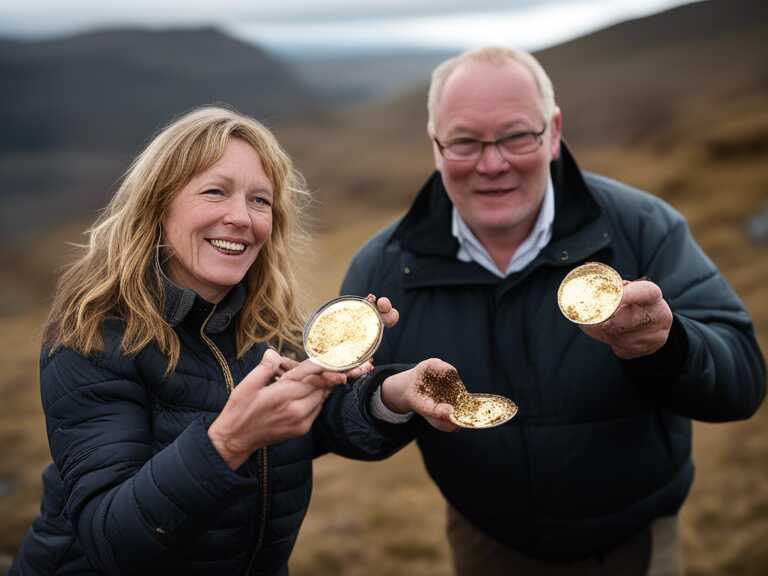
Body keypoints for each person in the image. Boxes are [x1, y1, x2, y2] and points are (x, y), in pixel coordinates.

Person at [341, 46, 766, 575]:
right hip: (485, 544)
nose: (491, 163)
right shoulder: (382, 267)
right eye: (465, 141)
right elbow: (341, 418)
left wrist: (669, 345)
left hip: (635, 546)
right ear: (436, 145)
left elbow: (742, 382)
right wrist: (386, 399)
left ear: (554, 132)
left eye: (517, 136)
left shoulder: (643, 227)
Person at [10, 106, 457, 576]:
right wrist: (227, 441)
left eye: (260, 201)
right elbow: (112, 540)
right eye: (214, 192)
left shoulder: (266, 324)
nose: (241, 218)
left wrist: (394, 394)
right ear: (158, 205)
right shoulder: (95, 336)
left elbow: (311, 420)